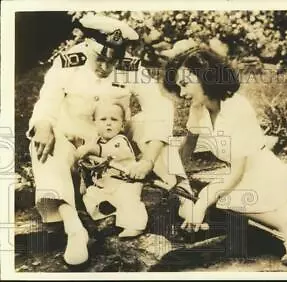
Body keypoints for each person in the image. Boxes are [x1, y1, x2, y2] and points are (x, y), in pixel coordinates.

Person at [27, 14, 192, 266]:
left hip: (115, 142)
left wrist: (147, 159)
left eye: (112, 60)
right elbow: (47, 99)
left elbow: (158, 107)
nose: (106, 66)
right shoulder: (69, 62)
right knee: (43, 145)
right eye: (101, 59)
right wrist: (43, 124)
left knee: (151, 123)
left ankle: (184, 196)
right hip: (75, 144)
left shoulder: (129, 65)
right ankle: (74, 228)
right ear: (88, 45)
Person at [163, 48, 287, 265]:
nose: (181, 93)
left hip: (264, 176)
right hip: (241, 178)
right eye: (178, 86)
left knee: (218, 201)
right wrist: (176, 179)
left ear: (205, 76)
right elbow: (187, 148)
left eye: (185, 84)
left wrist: (201, 202)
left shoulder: (235, 107)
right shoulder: (198, 108)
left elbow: (238, 171)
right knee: (206, 206)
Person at [76, 101, 147, 238]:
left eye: (114, 120)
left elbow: (105, 151)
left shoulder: (120, 140)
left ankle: (135, 225)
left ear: (122, 125)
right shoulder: (95, 141)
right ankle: (109, 212)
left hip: (125, 182)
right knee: (90, 194)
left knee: (128, 198)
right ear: (95, 123)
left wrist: (87, 149)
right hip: (105, 186)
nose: (108, 123)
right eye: (103, 119)